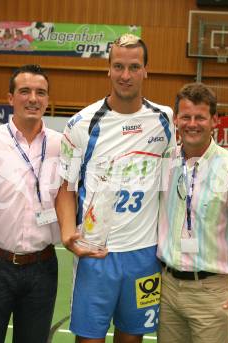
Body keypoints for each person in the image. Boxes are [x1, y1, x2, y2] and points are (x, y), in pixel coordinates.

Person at [56, 34, 176, 343]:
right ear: (108, 70)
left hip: (144, 255)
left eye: (134, 67)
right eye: (118, 66)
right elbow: (66, 188)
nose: (125, 75)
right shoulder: (82, 124)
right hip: (96, 254)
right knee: (89, 339)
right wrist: (69, 234)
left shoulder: (165, 120)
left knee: (132, 339)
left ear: (146, 70)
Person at [157, 82, 228, 343]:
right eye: (186, 117)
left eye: (200, 117)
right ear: (177, 120)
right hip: (167, 289)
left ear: (215, 120)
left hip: (211, 293)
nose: (192, 124)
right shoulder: (165, 162)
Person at [0, 64, 61, 343]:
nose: (33, 99)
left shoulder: (62, 146)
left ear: (48, 100)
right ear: (10, 98)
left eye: (41, 92)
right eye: (24, 91)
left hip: (43, 266)